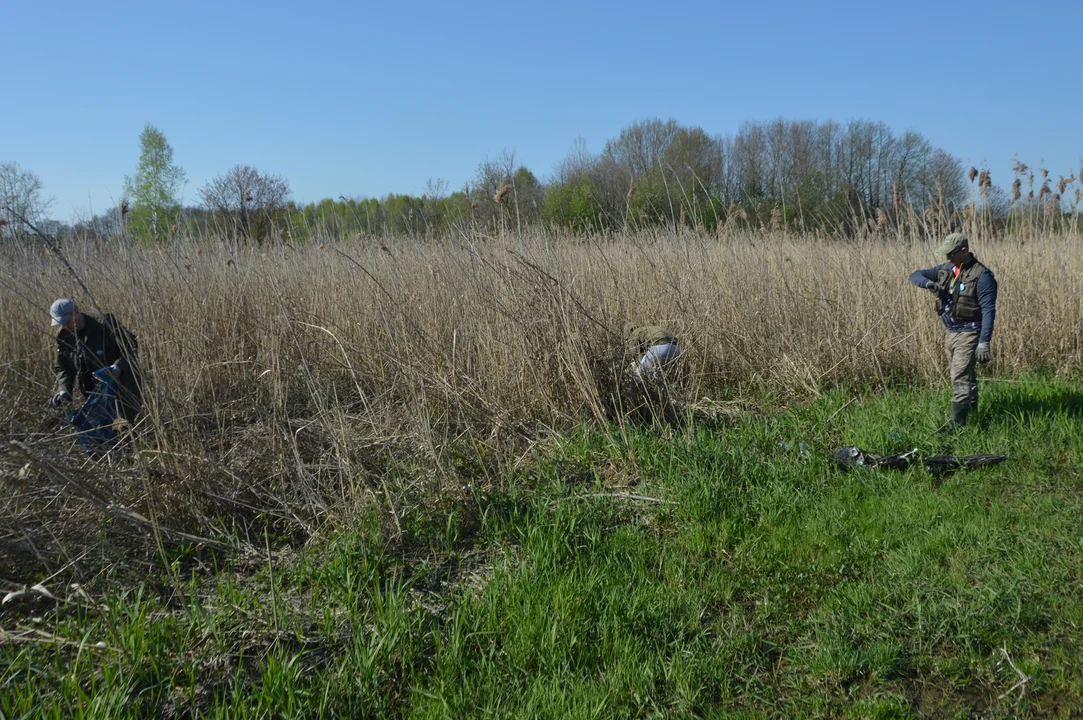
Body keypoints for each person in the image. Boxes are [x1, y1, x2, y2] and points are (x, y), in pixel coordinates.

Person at [909, 233, 997, 429]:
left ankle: (957, 427)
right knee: (967, 377)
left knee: (958, 376)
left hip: (969, 333)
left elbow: (989, 310)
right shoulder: (947, 269)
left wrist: (984, 341)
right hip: (951, 333)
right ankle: (973, 418)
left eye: (951, 254)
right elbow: (915, 275)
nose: (947, 257)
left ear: (964, 251)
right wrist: (929, 283)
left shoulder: (983, 276)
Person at [49, 298, 142, 425]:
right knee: (101, 427)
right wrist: (64, 390)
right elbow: (64, 368)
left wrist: (118, 367)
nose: (65, 326)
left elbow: (131, 346)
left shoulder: (104, 323)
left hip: (122, 386)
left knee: (122, 426)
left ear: (76, 311)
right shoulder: (63, 337)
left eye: (68, 321)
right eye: (61, 323)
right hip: (93, 392)